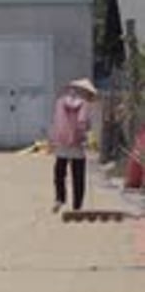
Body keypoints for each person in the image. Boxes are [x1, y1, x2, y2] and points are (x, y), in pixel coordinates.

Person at [49, 78, 98, 213]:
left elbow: (56, 121)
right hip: (77, 143)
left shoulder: (60, 102)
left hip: (62, 142)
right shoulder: (85, 105)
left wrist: (54, 139)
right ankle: (77, 206)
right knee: (78, 175)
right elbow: (82, 122)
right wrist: (87, 138)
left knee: (60, 172)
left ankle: (59, 198)